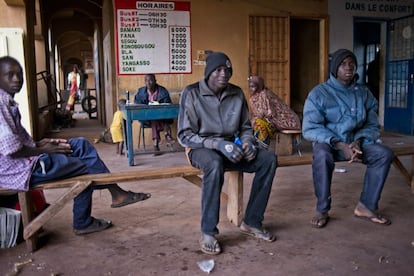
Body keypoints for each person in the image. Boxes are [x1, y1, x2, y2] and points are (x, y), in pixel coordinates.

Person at [0, 56, 151, 235]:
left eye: (20, 74)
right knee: (84, 167)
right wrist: (43, 150)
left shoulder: (7, 102)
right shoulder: (1, 104)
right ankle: (82, 222)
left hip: (28, 159)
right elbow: (11, 150)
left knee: (80, 144)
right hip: (20, 170)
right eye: (10, 75)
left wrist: (42, 143)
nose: (17, 79)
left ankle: (116, 193)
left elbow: (15, 143)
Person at [178, 52, 277, 255]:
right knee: (214, 164)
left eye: (228, 70)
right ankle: (208, 232)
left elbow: (245, 128)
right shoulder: (192, 93)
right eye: (218, 70)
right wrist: (217, 144)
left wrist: (248, 144)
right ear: (209, 73)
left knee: (268, 159)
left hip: (232, 149)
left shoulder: (237, 93)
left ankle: (252, 221)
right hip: (201, 149)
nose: (224, 74)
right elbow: (185, 135)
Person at [302, 49, 393, 228]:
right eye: (343, 64)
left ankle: (366, 206)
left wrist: (359, 141)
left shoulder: (364, 93)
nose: (348, 67)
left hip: (357, 144)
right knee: (321, 155)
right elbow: (310, 128)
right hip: (331, 145)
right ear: (335, 68)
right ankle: (322, 209)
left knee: (384, 154)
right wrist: (339, 144)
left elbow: (372, 124)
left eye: (351, 63)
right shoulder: (319, 94)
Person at [248, 75, 301, 149]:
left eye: (253, 86)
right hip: (269, 120)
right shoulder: (254, 97)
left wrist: (254, 119)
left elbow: (268, 113)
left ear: (259, 86)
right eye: (250, 86)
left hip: (282, 120)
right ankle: (256, 145)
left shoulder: (265, 95)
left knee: (259, 124)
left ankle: (262, 147)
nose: (251, 89)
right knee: (252, 123)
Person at [134, 74, 175, 152]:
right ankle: (167, 134)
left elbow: (168, 104)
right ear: (144, 82)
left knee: (155, 118)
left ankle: (155, 144)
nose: (149, 83)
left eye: (151, 80)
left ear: (155, 81)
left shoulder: (162, 91)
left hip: (163, 117)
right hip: (146, 118)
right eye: (146, 81)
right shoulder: (141, 92)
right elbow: (137, 103)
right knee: (153, 118)